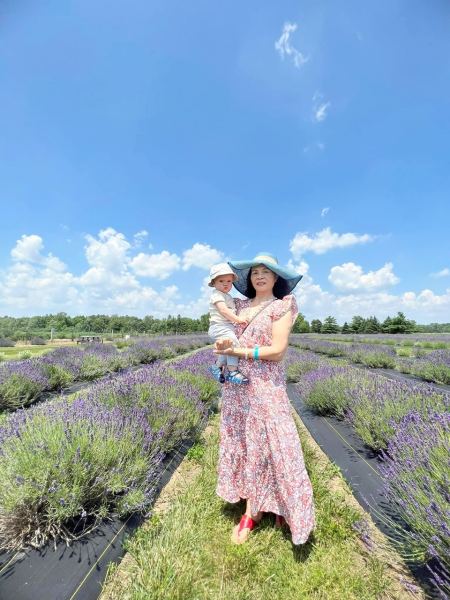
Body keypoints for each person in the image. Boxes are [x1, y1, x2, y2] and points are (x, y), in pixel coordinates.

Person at [214, 252, 315, 545]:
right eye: (255, 272)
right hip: (237, 385)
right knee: (244, 441)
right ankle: (253, 508)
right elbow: (223, 330)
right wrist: (223, 348)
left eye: (266, 272)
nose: (260, 276)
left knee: (276, 442)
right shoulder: (239, 306)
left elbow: (277, 351)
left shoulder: (282, 305)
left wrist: (240, 353)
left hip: (265, 385)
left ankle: (282, 505)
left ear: (276, 279)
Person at [208, 263, 249, 384]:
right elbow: (223, 310)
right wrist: (238, 319)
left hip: (225, 327)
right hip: (219, 327)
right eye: (221, 281)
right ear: (214, 283)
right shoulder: (216, 294)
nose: (226, 283)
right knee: (233, 344)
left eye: (229, 281)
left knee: (226, 348)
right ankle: (232, 371)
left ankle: (217, 366)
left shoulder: (227, 296)